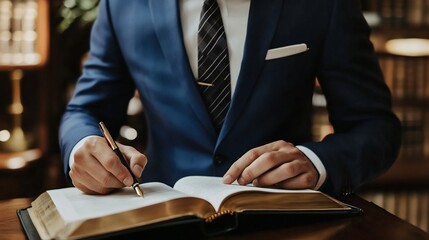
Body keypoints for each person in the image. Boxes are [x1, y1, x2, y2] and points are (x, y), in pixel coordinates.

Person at [59, 0, 401, 197]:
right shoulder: (121, 5)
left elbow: (375, 126)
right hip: (160, 211)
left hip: (286, 219)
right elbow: (86, 108)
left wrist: (317, 161)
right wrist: (82, 146)